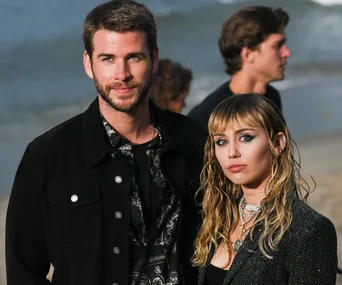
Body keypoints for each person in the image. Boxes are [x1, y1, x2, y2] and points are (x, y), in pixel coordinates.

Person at [5, 1, 207, 285]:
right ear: (89, 63)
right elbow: (24, 271)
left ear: (155, 59)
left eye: (134, 57)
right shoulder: (48, 155)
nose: (122, 74)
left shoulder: (194, 142)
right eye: (108, 58)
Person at [193, 94, 337, 285]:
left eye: (245, 137)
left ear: (278, 143)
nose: (232, 152)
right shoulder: (216, 220)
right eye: (221, 141)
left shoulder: (308, 229)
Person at [188, 6, 291, 129]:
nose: (287, 53)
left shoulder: (272, 97)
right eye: (277, 46)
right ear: (248, 54)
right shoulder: (206, 118)